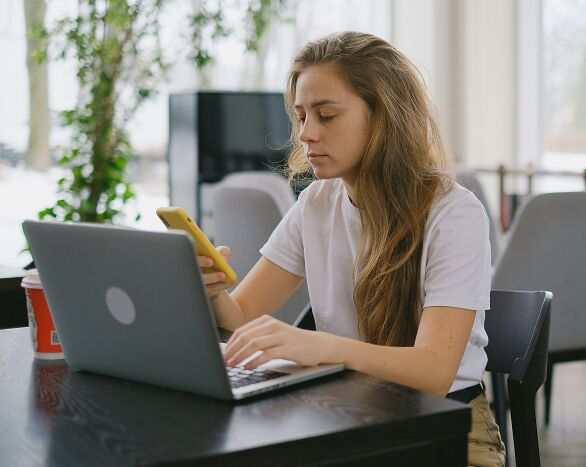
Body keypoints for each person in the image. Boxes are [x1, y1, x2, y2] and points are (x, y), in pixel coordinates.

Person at [199, 31, 505, 466]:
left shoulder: (453, 213)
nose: (306, 134)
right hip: (349, 414)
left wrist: (321, 347)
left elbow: (435, 372)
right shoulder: (316, 205)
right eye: (302, 116)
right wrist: (212, 289)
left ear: (384, 118)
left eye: (326, 115)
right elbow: (241, 316)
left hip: (450, 430)